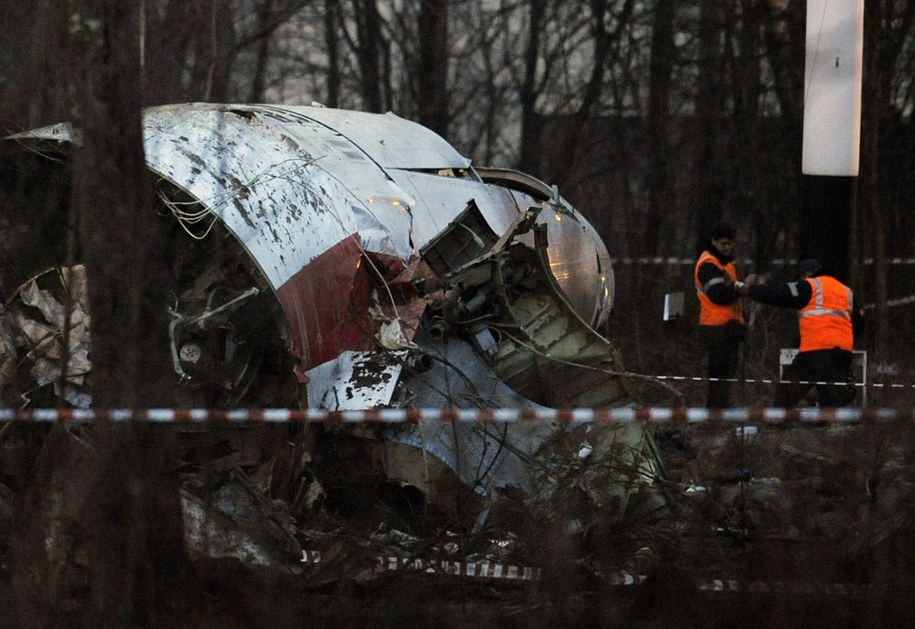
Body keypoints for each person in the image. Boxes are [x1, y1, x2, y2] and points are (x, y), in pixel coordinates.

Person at [738, 258, 863, 407]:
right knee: (831, 398)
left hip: (816, 351)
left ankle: (779, 422)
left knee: (788, 389)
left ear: (806, 274)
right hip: (842, 353)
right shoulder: (846, 291)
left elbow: (779, 293)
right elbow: (859, 324)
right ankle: (833, 423)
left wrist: (750, 291)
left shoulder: (809, 286)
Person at [693, 220, 748, 408]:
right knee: (719, 375)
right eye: (723, 243)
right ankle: (715, 415)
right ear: (713, 242)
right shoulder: (708, 265)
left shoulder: (725, 265)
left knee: (725, 375)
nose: (727, 247)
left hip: (727, 327)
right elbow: (718, 295)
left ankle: (719, 412)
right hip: (716, 328)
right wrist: (741, 288)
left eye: (730, 243)